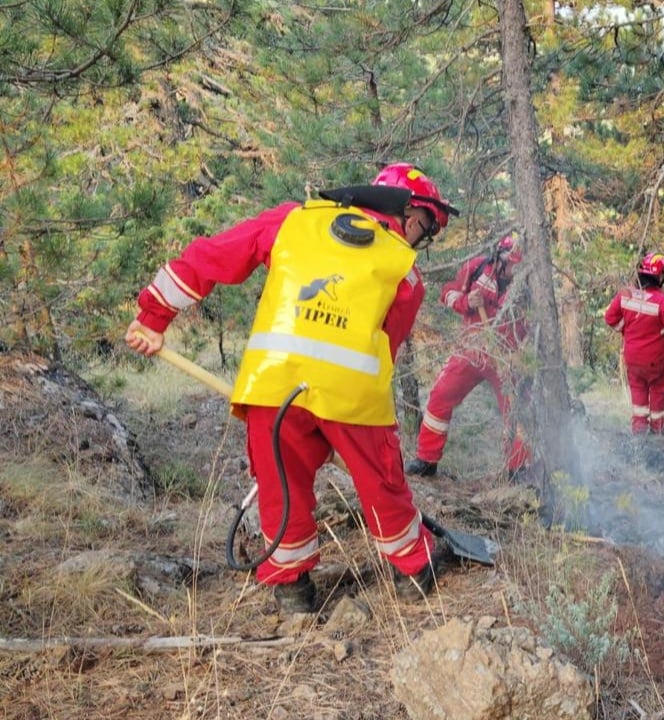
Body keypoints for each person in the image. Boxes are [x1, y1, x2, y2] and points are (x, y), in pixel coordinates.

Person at [125, 163, 460, 614]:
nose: (421, 240)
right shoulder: (405, 272)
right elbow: (386, 350)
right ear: (408, 210)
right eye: (426, 227)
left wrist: (152, 316)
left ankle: (293, 591)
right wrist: (344, 434)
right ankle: (414, 570)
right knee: (382, 484)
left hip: (272, 389)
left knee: (281, 487)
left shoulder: (290, 219)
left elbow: (210, 256)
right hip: (352, 397)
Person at [406, 233, 532, 479]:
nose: (513, 272)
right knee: (441, 395)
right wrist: (466, 301)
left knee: (516, 409)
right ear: (500, 258)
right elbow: (448, 294)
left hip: (505, 358)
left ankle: (518, 470)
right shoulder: (476, 268)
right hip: (470, 351)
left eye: (519, 267)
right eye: (511, 265)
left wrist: (520, 351)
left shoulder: (530, 284)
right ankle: (426, 460)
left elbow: (533, 324)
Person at [604, 252, 664, 435]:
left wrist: (625, 328)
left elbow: (610, 318)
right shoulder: (663, 302)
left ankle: (639, 438)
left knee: (639, 401)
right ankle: (658, 433)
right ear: (659, 277)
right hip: (657, 363)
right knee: (658, 397)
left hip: (632, 361)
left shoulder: (626, 295)